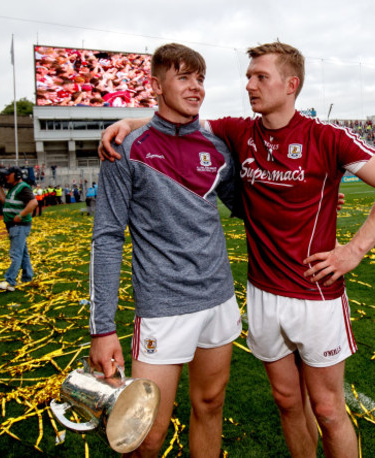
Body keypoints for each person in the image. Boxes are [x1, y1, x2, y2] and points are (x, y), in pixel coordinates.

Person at [99, 41, 375, 457]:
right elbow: (178, 122)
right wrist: (130, 122)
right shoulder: (237, 132)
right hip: (260, 294)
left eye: (259, 77)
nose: (248, 84)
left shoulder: (325, 136)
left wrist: (353, 250)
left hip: (313, 292)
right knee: (287, 402)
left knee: (327, 409)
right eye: (248, 76)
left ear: (291, 85)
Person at [89, 43, 241, 458]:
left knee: (210, 406)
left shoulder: (217, 148)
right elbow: (106, 237)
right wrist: (102, 328)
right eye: (184, 78)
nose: (196, 88)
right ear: (156, 85)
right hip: (163, 307)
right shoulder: (127, 148)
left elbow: (249, 208)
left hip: (219, 300)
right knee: (146, 435)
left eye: (200, 79)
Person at [0, 167, 38, 292]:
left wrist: (21, 215)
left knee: (16, 254)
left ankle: (9, 281)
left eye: (8, 175)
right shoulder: (14, 188)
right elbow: (5, 201)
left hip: (19, 225)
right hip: (14, 226)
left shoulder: (22, 187)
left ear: (17, 175)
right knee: (23, 253)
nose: (6, 177)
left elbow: (33, 203)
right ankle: (27, 277)